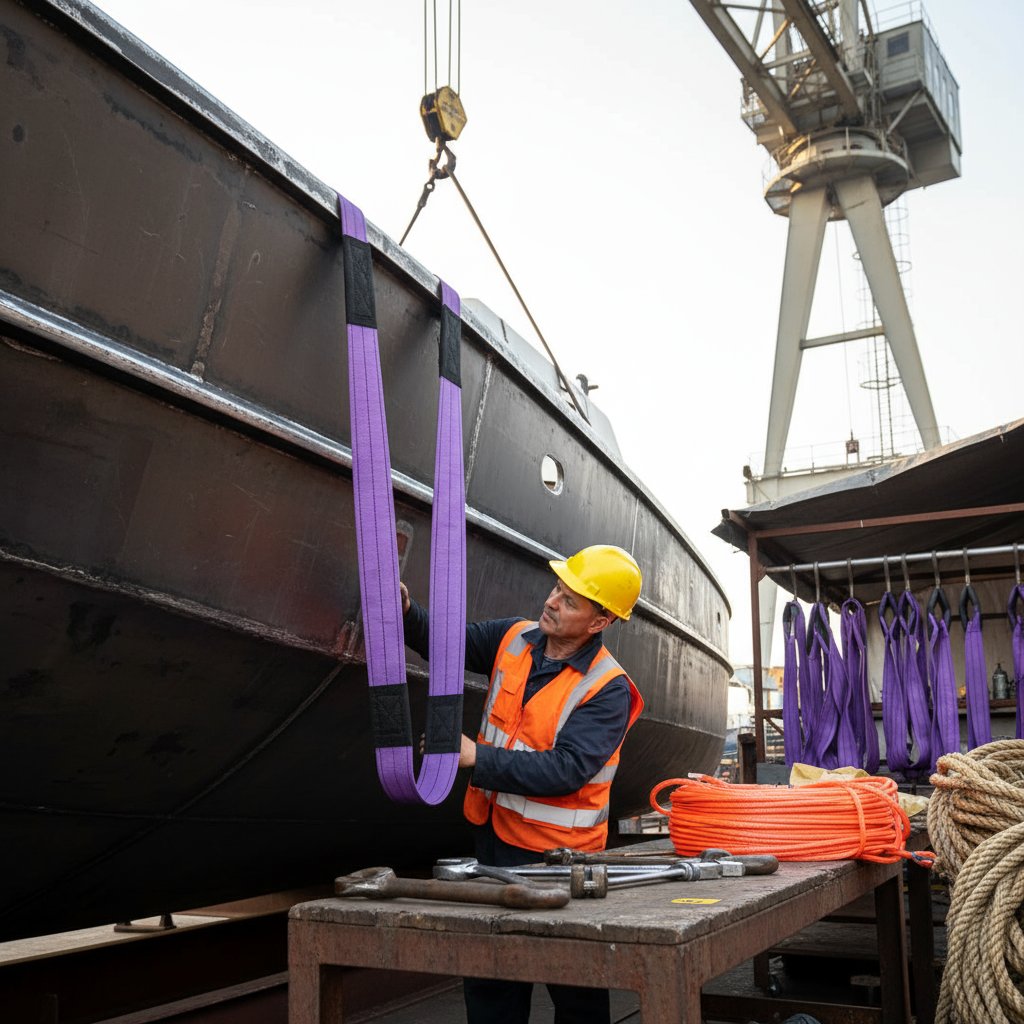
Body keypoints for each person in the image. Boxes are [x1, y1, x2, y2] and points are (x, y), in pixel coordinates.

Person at [401, 544, 645, 1024]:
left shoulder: (608, 688)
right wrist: (407, 613)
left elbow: (567, 770)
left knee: (576, 990)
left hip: (560, 859)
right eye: (558, 587)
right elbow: (448, 644)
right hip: (493, 844)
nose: (553, 601)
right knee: (491, 979)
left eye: (571, 600)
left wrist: (477, 756)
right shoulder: (514, 637)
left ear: (599, 622)